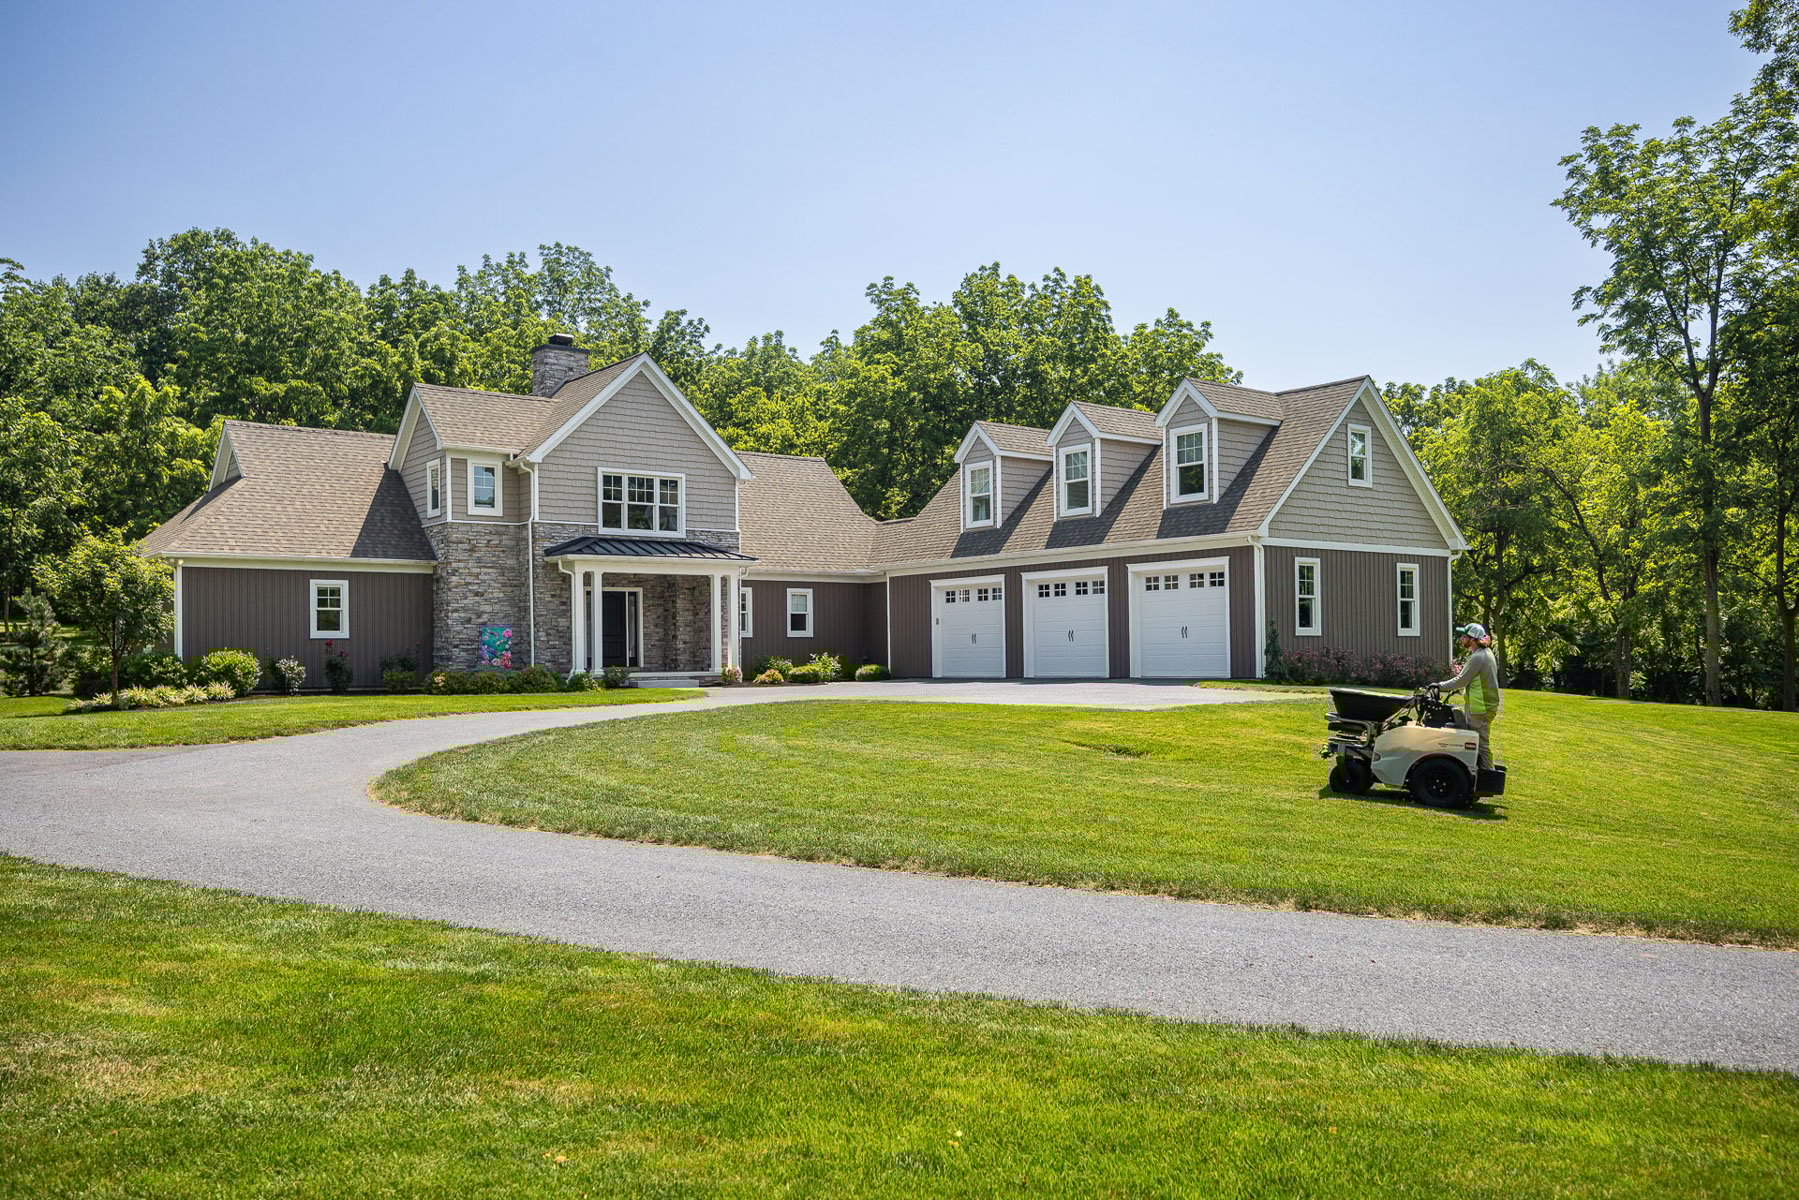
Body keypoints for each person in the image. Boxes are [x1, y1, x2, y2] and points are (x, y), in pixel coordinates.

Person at [1436, 622, 1501, 770]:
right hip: (1482, 706)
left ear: (1472, 639)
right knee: (1476, 742)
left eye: (1464, 636)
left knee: (1481, 744)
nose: (1461, 639)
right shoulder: (1485, 653)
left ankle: (1487, 779)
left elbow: (1461, 681)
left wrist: (1438, 686)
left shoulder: (1478, 658)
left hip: (1480, 708)